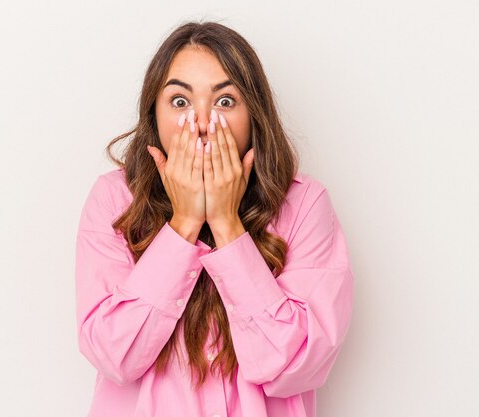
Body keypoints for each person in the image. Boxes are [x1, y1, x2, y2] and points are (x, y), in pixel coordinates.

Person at [75, 20, 354, 417]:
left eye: (225, 101)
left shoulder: (305, 203)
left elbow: (296, 364)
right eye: (179, 102)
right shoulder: (114, 199)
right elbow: (113, 354)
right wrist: (184, 223)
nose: (202, 124)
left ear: (254, 114)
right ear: (153, 115)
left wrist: (226, 224)